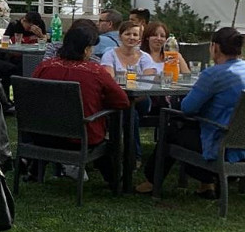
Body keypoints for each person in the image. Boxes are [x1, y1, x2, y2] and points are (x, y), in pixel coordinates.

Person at [136, 28, 245, 198]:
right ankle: (206, 186)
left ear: (214, 47)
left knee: (171, 128)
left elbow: (187, 108)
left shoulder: (214, 75)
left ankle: (152, 182)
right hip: (240, 143)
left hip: (219, 145)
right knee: (194, 125)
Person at [30, 22, 132, 184]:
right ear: (86, 50)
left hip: (42, 135)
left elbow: (32, 93)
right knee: (106, 135)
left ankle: (35, 171)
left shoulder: (45, 67)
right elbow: (122, 101)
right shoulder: (95, 71)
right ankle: (114, 179)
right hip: (80, 138)